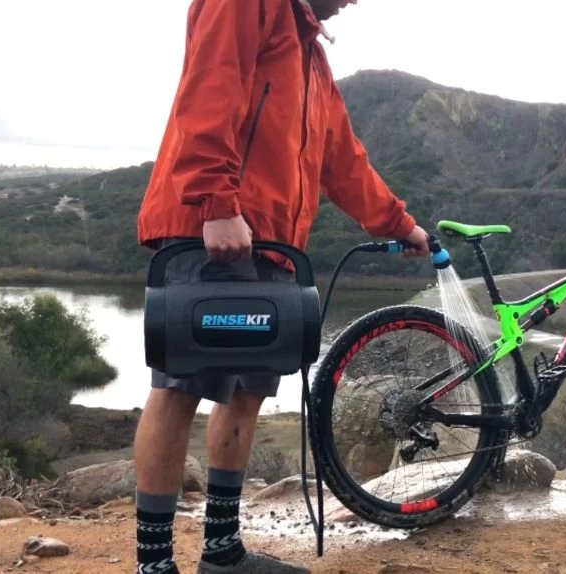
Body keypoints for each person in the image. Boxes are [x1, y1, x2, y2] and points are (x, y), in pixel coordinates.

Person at [133, 0, 430, 572]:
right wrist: (217, 204)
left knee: (246, 390)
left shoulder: (311, 55)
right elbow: (209, 90)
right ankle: (155, 564)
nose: (352, 2)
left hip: (270, 242)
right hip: (211, 230)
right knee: (180, 386)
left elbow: (342, 158)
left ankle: (222, 552)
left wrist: (398, 223)